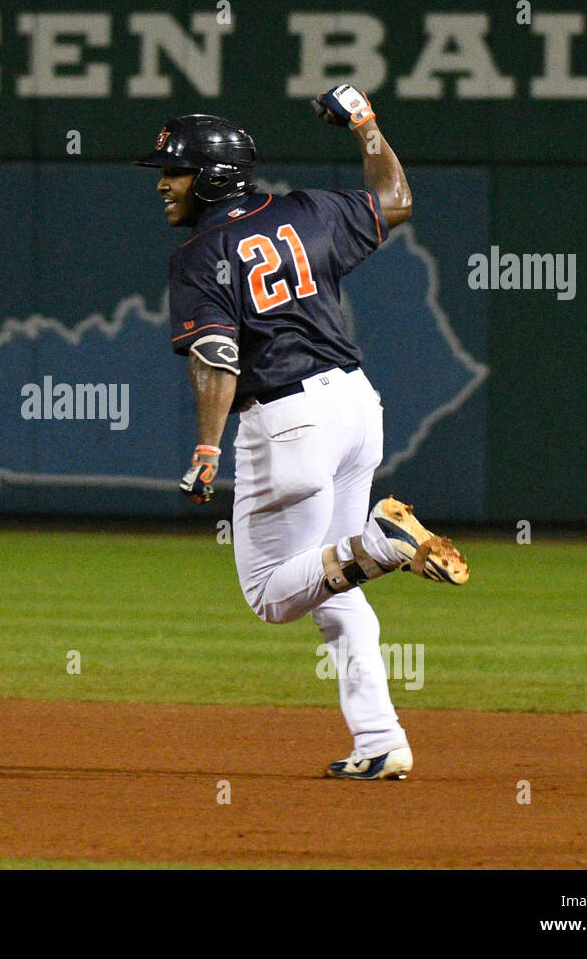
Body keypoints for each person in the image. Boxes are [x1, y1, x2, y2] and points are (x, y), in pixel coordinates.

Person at [134, 88, 467, 781]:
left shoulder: (199, 253)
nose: (163, 182)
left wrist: (204, 447)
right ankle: (380, 739)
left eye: (175, 169)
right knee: (335, 584)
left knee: (269, 595)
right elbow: (396, 197)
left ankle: (383, 542)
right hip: (355, 406)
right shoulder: (309, 210)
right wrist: (367, 126)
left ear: (214, 176)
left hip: (288, 422)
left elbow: (218, 355)